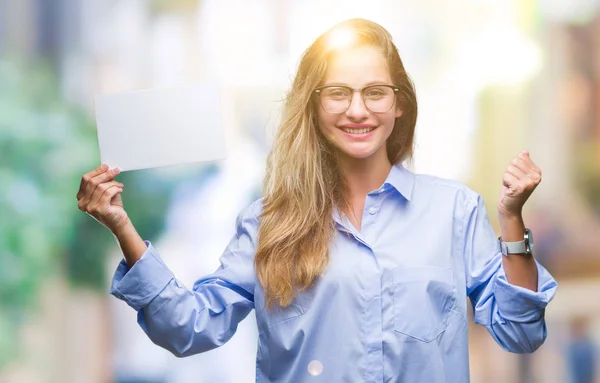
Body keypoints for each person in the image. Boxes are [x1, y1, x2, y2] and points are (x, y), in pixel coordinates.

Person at [76, 18, 558, 383]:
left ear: (399, 104)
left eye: (374, 93)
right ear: (312, 105)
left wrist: (511, 219)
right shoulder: (269, 222)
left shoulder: (455, 211)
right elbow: (188, 328)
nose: (357, 110)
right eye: (337, 93)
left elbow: (521, 333)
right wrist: (123, 227)